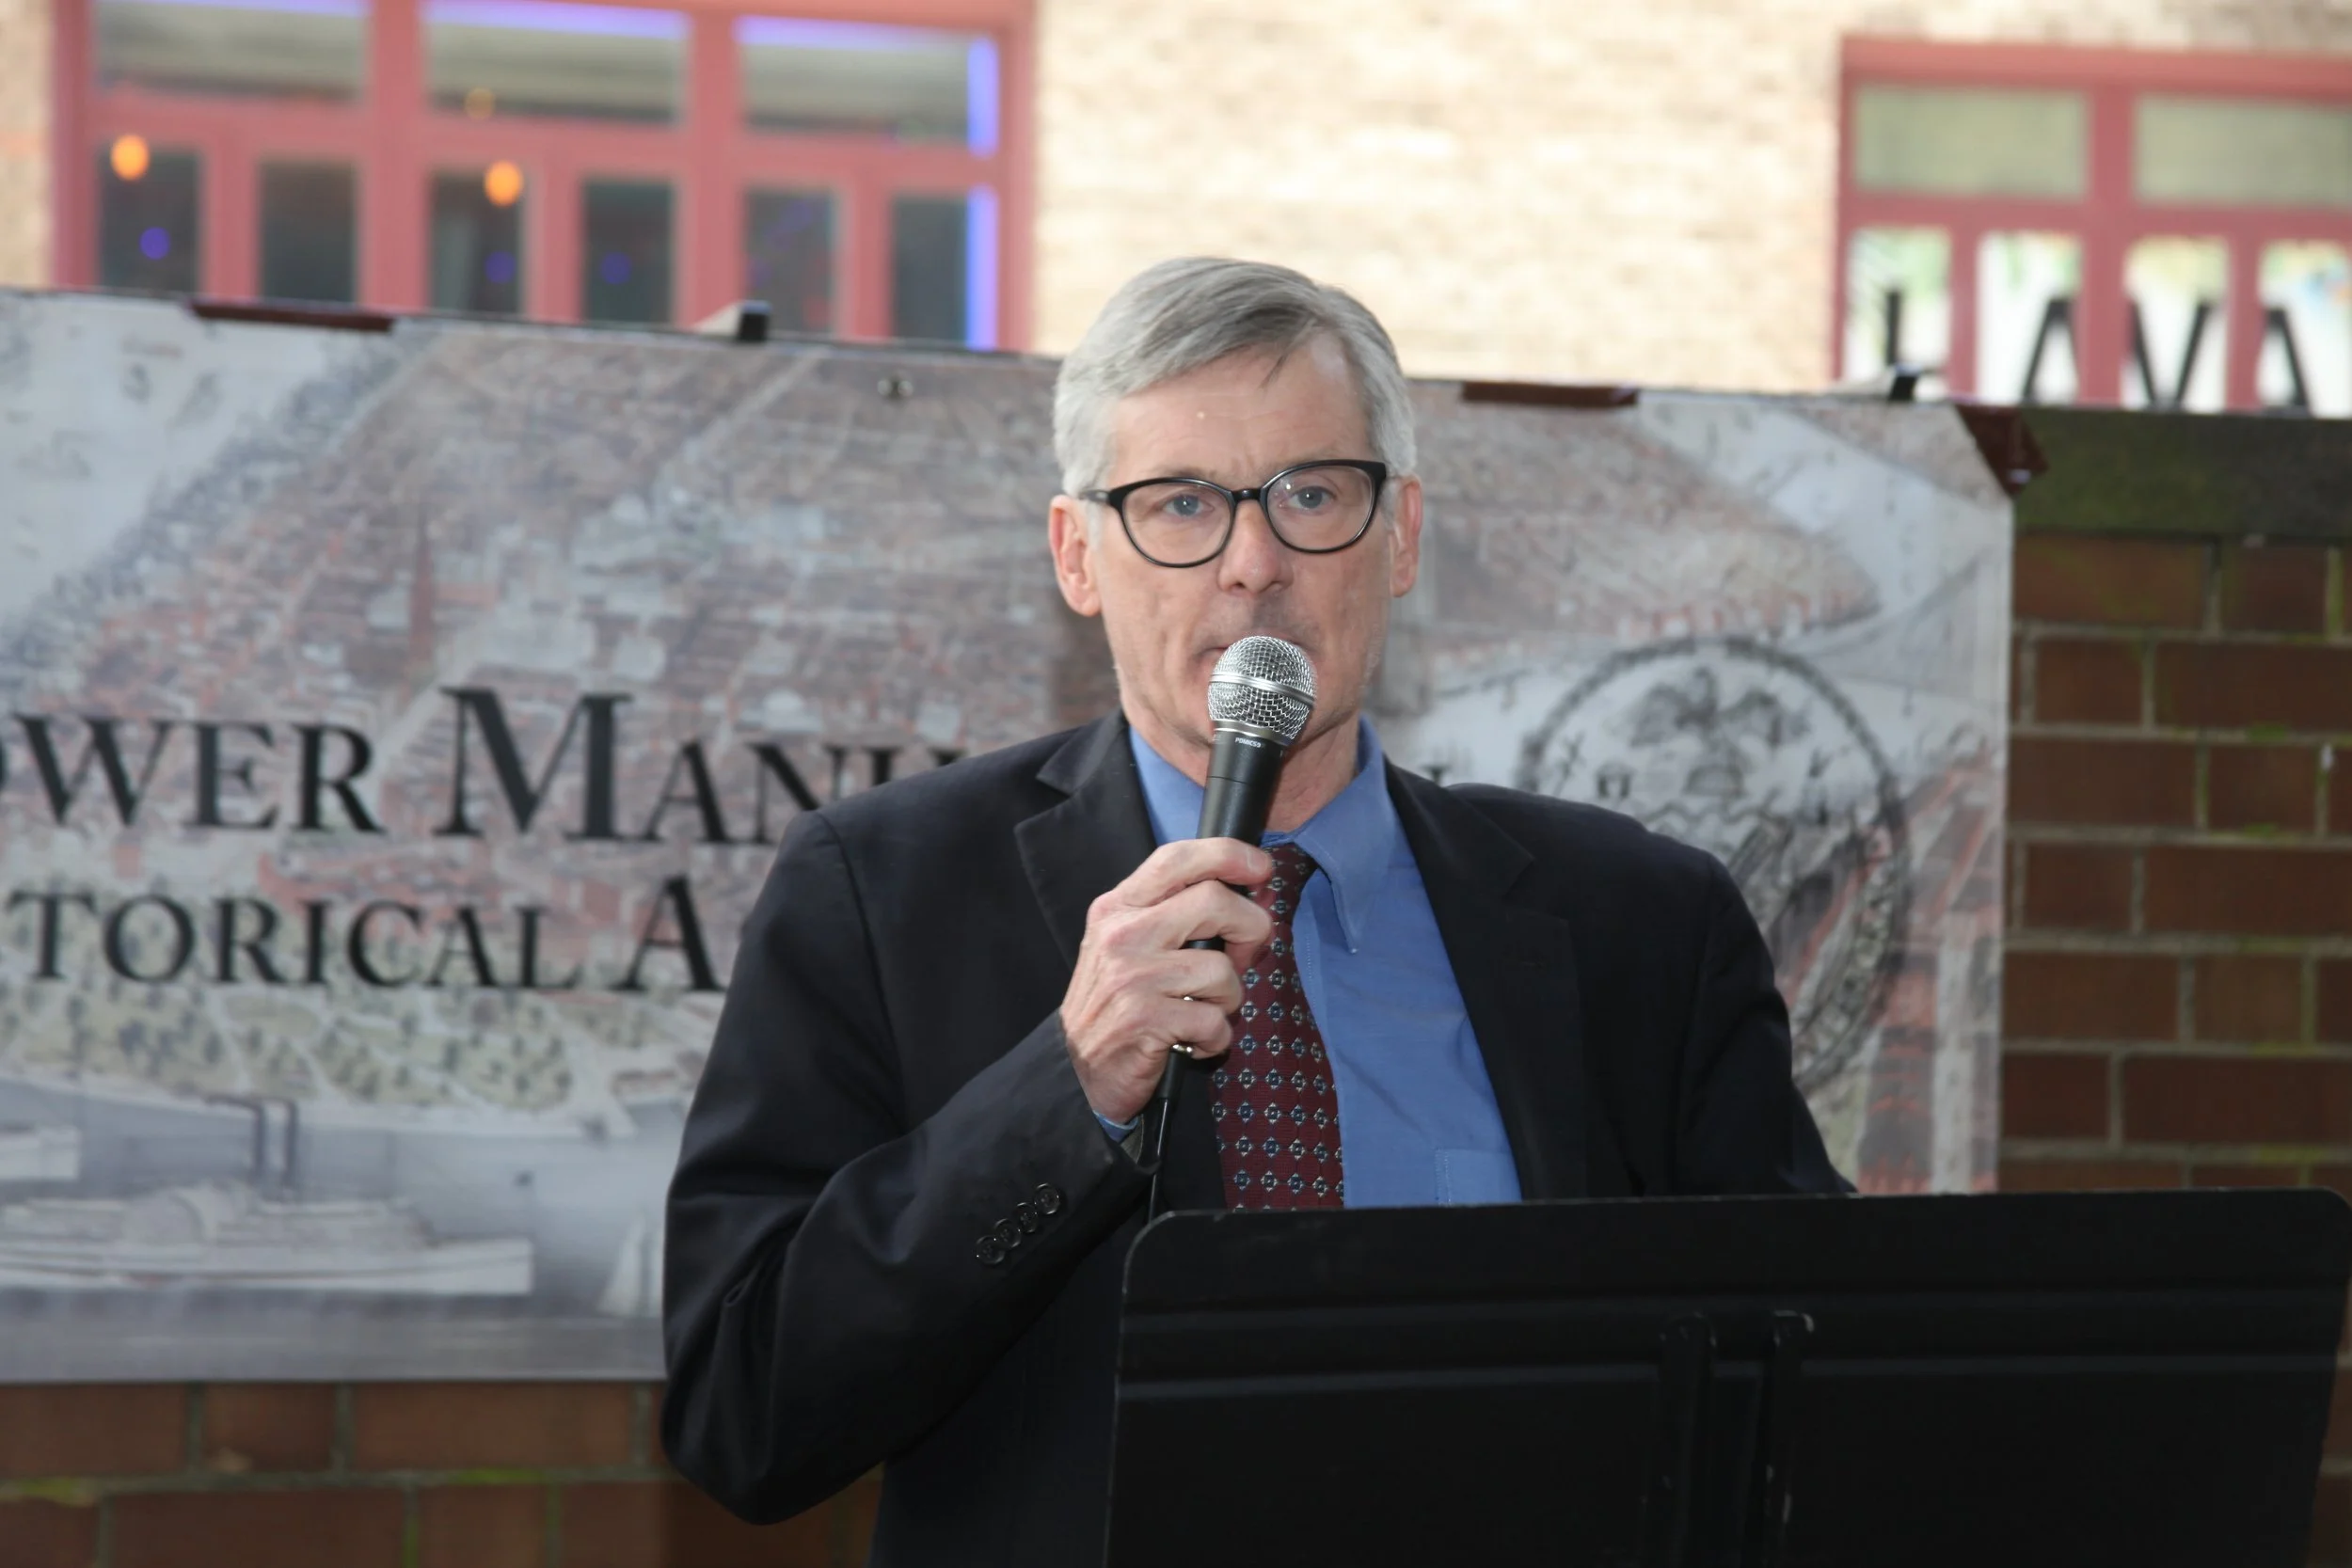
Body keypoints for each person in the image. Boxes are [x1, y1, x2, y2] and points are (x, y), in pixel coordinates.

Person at [660, 257, 1846, 1566]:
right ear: (1078, 556)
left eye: (1314, 493)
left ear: (1399, 537)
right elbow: (745, 1414)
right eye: (1179, 503)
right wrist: (1069, 1090)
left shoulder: (1641, 925)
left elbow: (1823, 1382)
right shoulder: (883, 894)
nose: (1255, 562)